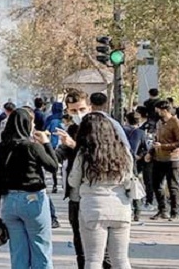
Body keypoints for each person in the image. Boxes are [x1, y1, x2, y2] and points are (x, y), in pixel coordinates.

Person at [0, 108, 58, 269]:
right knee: (40, 249)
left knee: (18, 253)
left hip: (9, 204)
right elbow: (53, 166)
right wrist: (46, 143)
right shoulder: (32, 147)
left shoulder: (1, 148)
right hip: (33, 200)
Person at [68, 113, 133, 269]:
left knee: (93, 260)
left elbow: (73, 181)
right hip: (121, 209)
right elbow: (128, 178)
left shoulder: (84, 154)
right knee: (121, 260)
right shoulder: (123, 151)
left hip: (93, 209)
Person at [151, 100, 179, 221]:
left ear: (164, 110)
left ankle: (175, 213)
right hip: (159, 158)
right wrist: (152, 152)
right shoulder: (159, 123)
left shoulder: (176, 122)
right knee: (156, 185)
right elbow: (157, 139)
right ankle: (162, 210)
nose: (156, 112)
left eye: (158, 110)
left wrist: (163, 146)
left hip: (173, 159)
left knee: (173, 186)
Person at [123, 111, 148, 222]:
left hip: (120, 160)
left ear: (126, 120)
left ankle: (124, 209)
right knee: (134, 184)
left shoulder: (120, 131)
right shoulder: (141, 133)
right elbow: (145, 148)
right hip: (133, 162)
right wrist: (139, 156)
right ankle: (137, 212)